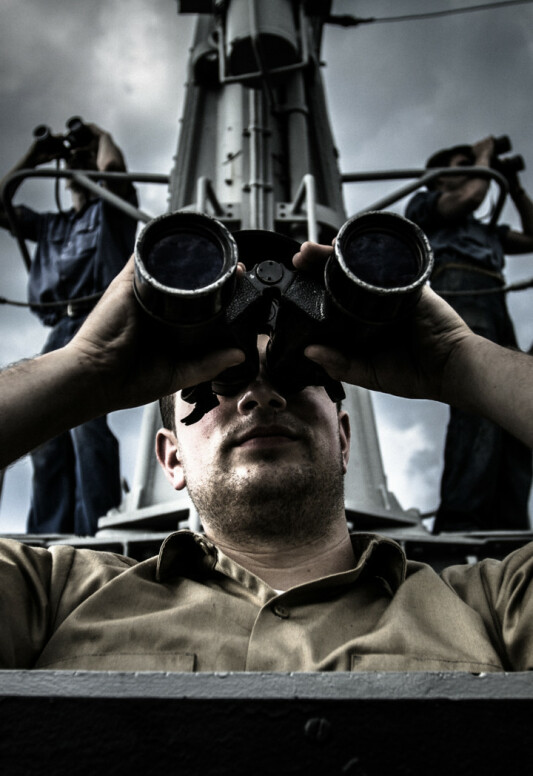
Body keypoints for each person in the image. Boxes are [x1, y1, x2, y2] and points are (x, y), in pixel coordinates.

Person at [1, 241, 533, 673]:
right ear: (171, 458)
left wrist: (457, 359)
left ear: (343, 439)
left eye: (296, 377)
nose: (261, 396)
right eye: (220, 384)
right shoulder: (54, 597)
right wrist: (87, 368)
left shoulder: (491, 606)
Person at [0, 121, 138, 536]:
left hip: (98, 319)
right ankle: (48, 533)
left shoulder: (110, 209)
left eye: (84, 159)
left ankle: (95, 529)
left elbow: (113, 171)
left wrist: (100, 137)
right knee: (42, 429)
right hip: (59, 327)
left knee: (85, 424)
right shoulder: (51, 226)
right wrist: (35, 158)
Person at [405, 136, 533, 533]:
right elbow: (469, 198)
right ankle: (462, 518)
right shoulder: (426, 205)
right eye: (463, 166)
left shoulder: (484, 229)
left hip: (493, 300)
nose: (475, 170)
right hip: (460, 293)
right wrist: (484, 155)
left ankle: (510, 524)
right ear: (439, 177)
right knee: (479, 402)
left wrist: (514, 186)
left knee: (513, 403)